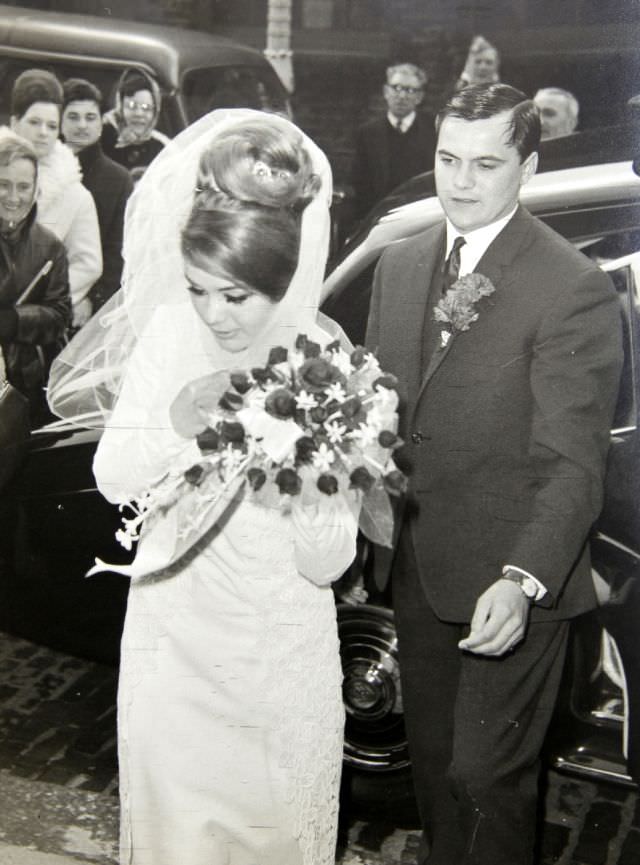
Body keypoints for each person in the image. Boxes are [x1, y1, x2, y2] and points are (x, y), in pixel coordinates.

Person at [50, 110, 361, 864]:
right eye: (199, 288)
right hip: (175, 644)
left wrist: (312, 475)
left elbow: (327, 563)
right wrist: (181, 416)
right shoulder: (166, 333)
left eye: (237, 296)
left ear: (282, 280)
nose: (214, 314)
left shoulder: (324, 363)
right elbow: (114, 478)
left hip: (275, 652)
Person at [366, 83, 622, 865]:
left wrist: (523, 577)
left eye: (485, 163)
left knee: (487, 781)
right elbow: (380, 417)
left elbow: (574, 464)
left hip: (515, 583)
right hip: (417, 568)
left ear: (528, 167)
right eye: (447, 159)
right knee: (440, 779)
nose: (461, 181)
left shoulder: (570, 285)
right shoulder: (401, 265)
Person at [10, 68, 101, 331]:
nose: (43, 133)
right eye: (34, 122)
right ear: (15, 122)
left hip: (27, 326)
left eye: (51, 126)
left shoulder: (75, 196)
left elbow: (88, 264)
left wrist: (39, 306)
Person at [0, 129, 71, 426]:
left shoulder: (50, 247)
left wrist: (16, 320)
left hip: (25, 385)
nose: (14, 197)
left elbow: (60, 315)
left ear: (35, 189)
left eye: (23, 186)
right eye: (3, 185)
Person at [61, 78, 133, 313]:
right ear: (60, 121)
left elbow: (119, 249)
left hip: (87, 306)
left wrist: (92, 298)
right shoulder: (40, 167)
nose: (82, 125)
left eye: (90, 117)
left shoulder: (118, 179)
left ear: (101, 123)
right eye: (73, 117)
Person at [352, 62, 436, 219]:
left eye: (410, 90)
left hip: (421, 219)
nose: (402, 96)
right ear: (386, 92)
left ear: (419, 97)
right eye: (396, 88)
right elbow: (361, 187)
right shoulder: (367, 134)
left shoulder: (433, 133)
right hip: (378, 219)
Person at [101, 67, 170, 179]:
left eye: (146, 108)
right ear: (120, 107)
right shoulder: (101, 136)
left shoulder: (163, 147)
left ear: (155, 112)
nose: (139, 114)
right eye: (131, 106)